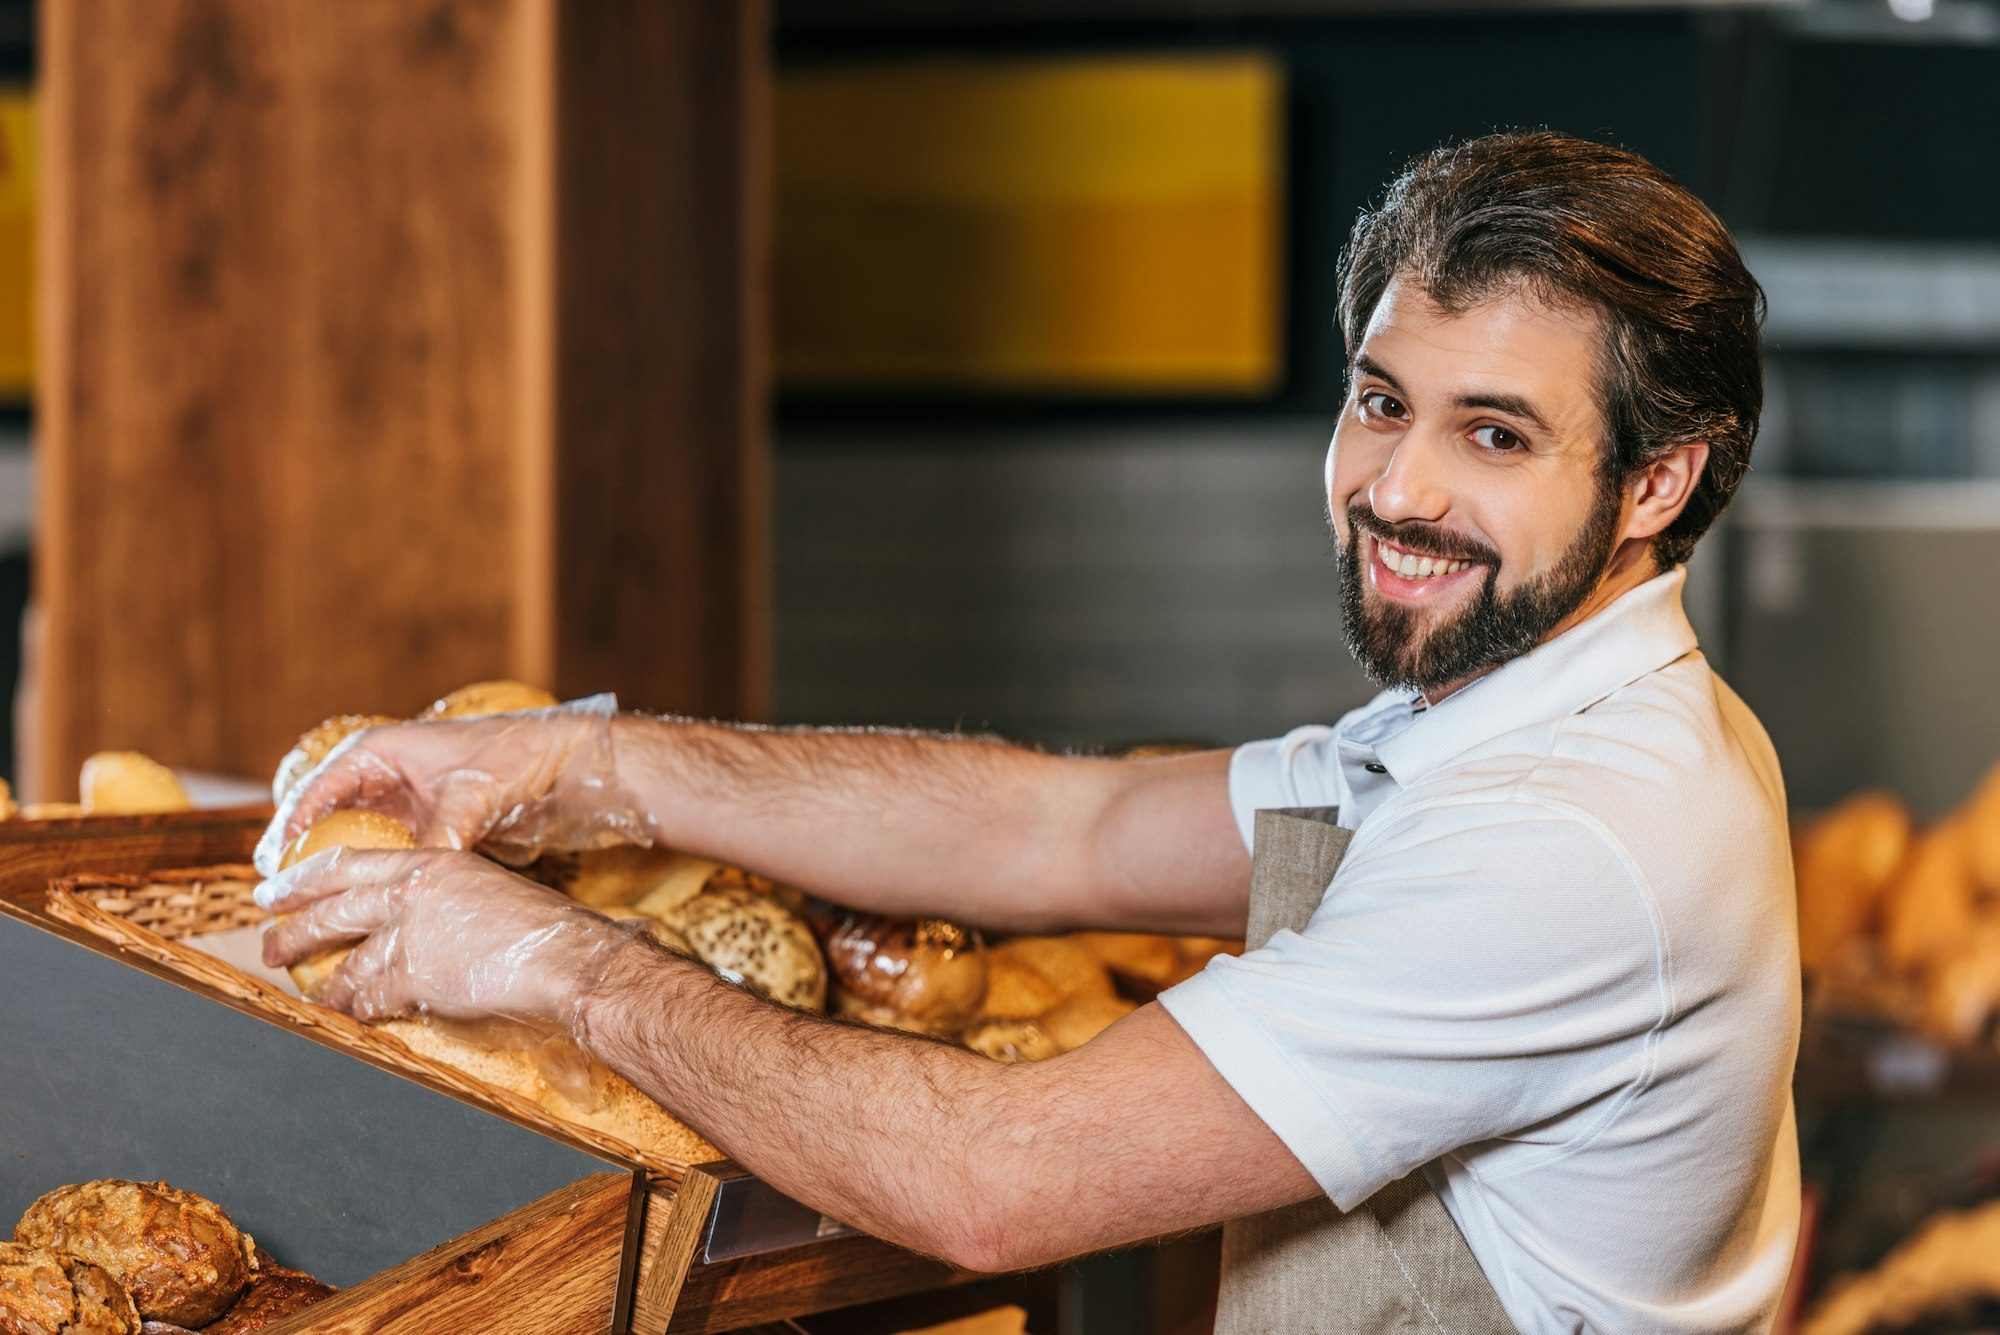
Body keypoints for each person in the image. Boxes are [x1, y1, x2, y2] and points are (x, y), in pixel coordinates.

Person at [256, 131, 1798, 1333]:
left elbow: (992, 1182)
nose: (1397, 490)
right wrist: (578, 764)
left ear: (1659, 482)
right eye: (1383, 401)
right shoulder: (1523, 724)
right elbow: (1062, 829)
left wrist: (546, 960)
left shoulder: (1561, 836)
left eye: (1497, 435)